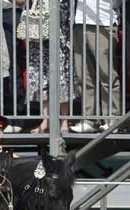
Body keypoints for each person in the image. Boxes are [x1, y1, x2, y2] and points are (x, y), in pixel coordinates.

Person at [71, 0, 122, 133]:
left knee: (107, 75)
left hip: (104, 23)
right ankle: (89, 120)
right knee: (84, 76)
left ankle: (112, 118)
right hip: (79, 22)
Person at [24, 0, 73, 134]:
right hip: (39, 32)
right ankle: (46, 120)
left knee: (62, 77)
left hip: (60, 33)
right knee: (42, 78)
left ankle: (64, 121)